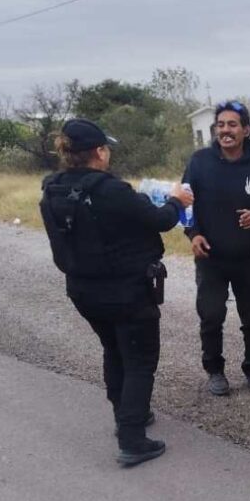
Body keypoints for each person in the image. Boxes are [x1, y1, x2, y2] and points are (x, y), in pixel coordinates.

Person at [39, 118, 193, 467]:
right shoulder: (111, 190)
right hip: (126, 290)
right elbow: (160, 221)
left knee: (114, 350)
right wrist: (177, 200)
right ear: (99, 152)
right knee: (139, 360)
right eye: (105, 147)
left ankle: (126, 413)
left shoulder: (53, 188)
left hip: (83, 290)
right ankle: (132, 438)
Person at [181, 100, 250, 396]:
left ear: (246, 130)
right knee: (211, 317)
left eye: (232, 125)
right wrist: (193, 234)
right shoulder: (199, 162)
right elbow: (184, 205)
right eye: (220, 125)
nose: (225, 131)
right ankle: (215, 371)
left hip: (247, 258)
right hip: (210, 258)